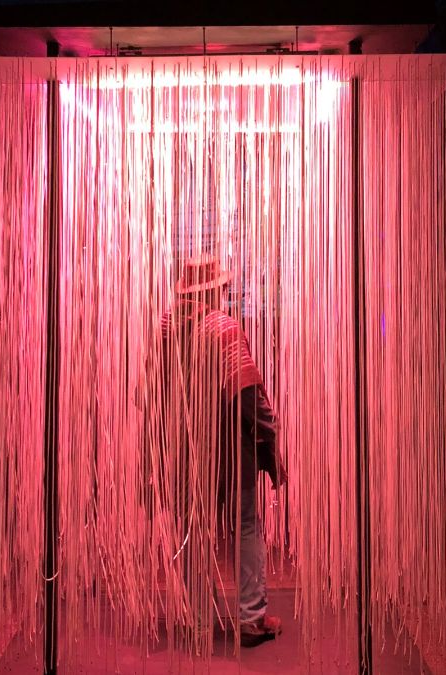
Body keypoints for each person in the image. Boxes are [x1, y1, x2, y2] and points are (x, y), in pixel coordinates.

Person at [157, 256, 285, 648]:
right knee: (245, 526)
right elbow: (248, 397)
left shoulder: (168, 330)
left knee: (192, 532)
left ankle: (198, 621)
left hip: (183, 452)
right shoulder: (224, 330)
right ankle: (250, 619)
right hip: (229, 453)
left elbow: (145, 396)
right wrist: (272, 430)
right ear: (213, 291)